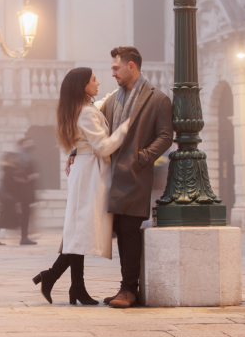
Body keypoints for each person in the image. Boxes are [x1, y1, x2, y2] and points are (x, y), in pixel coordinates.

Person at [66, 46, 173, 309]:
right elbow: (90, 128)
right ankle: (124, 287)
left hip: (135, 174)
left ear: (131, 66)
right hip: (110, 176)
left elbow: (166, 136)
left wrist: (143, 157)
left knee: (129, 230)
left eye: (116, 68)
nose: (112, 73)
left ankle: (129, 289)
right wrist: (74, 150)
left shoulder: (158, 99)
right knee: (119, 232)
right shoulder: (113, 100)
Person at [32, 67, 129, 306]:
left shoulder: (83, 109)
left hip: (86, 171)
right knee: (81, 230)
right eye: (93, 80)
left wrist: (123, 88)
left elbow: (100, 105)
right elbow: (104, 147)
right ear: (83, 86)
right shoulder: (85, 113)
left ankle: (71, 284)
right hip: (89, 174)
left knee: (79, 231)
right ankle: (58, 279)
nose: (98, 83)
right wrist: (126, 126)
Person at [0, 152, 25, 245]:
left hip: (7, 197)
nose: (16, 159)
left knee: (3, 217)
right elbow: (9, 184)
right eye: (13, 158)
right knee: (18, 216)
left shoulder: (11, 169)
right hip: (7, 198)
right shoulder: (10, 169)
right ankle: (23, 237)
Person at [15, 137, 39, 245]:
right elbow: (18, 173)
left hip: (27, 190)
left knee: (26, 213)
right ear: (21, 145)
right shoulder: (21, 157)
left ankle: (24, 236)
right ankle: (23, 237)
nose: (29, 145)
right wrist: (30, 177)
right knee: (24, 213)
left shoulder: (26, 156)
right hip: (22, 190)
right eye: (27, 143)